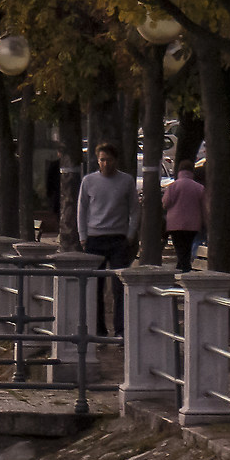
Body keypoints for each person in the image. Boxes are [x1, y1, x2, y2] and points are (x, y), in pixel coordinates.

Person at [75, 143, 138, 334]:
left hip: (118, 239)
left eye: (109, 160)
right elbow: (81, 209)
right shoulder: (88, 181)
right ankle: (98, 328)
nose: (105, 163)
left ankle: (120, 329)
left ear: (115, 160)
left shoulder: (126, 181)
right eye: (102, 160)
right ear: (97, 160)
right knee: (95, 287)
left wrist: (130, 234)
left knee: (119, 286)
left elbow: (135, 209)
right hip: (95, 239)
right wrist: (83, 236)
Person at [161, 164, 207, 272]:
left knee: (180, 248)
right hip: (193, 224)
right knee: (187, 247)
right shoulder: (199, 187)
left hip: (175, 224)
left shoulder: (173, 186)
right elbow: (204, 206)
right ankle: (181, 269)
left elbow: (165, 204)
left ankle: (185, 269)